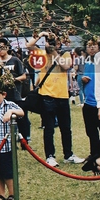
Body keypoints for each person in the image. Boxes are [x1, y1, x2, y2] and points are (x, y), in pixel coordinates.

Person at [25, 30, 83, 167]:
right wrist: (41, 35)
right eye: (49, 42)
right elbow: (29, 46)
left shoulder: (65, 54)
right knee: (49, 127)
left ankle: (68, 154)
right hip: (47, 96)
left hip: (62, 95)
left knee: (66, 127)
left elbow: (65, 66)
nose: (51, 44)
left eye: (55, 42)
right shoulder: (41, 54)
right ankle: (50, 156)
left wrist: (55, 52)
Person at [80, 38, 100, 163]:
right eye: (89, 45)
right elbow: (79, 80)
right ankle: (94, 154)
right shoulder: (86, 62)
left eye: (94, 45)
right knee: (91, 132)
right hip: (88, 102)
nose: (92, 48)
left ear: (99, 47)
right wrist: (82, 79)